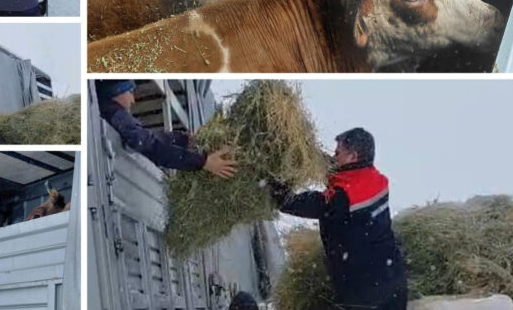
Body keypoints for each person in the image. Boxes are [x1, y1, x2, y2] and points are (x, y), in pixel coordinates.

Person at [269, 128, 407, 310]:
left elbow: (291, 203)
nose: (334, 157)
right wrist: (305, 151)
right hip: (393, 283)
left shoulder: (342, 198)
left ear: (353, 156)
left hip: (364, 294)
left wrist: (272, 177)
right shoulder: (376, 179)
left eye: (337, 153)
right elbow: (339, 173)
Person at [96, 80, 236, 178]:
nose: (133, 100)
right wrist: (203, 162)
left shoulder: (108, 112)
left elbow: (147, 138)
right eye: (130, 92)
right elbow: (149, 145)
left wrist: (184, 139)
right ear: (117, 91)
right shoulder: (115, 113)